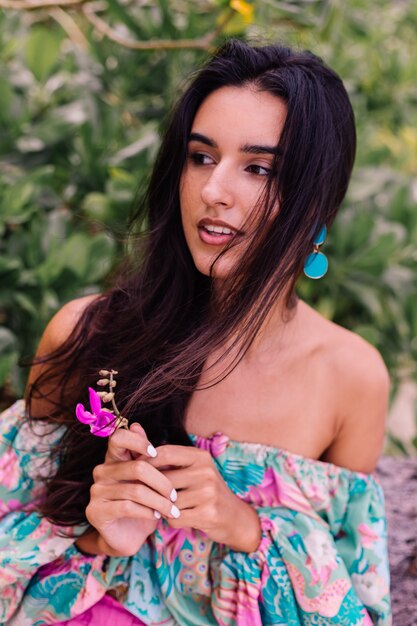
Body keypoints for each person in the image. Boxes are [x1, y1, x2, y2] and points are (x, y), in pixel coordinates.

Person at [0, 39, 391, 626]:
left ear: (317, 198)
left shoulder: (350, 379)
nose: (213, 190)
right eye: (201, 157)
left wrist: (244, 526)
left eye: (258, 168)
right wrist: (98, 541)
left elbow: (355, 607)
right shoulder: (87, 336)